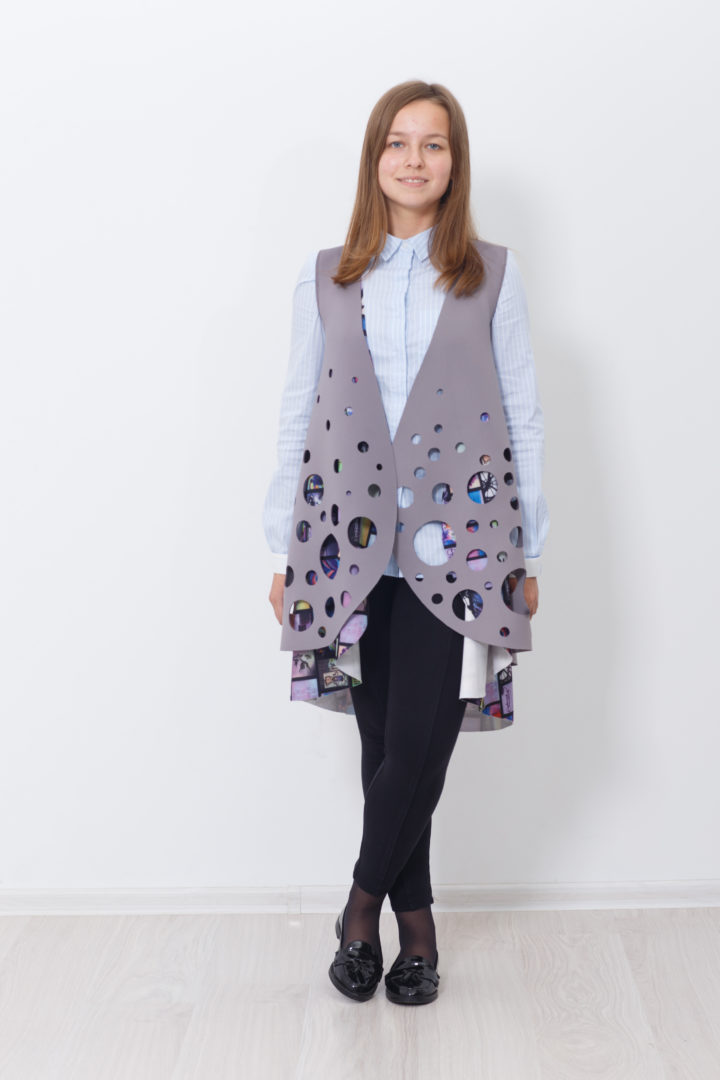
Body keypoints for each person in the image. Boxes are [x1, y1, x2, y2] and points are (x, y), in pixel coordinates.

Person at [263, 80, 549, 1005]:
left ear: (454, 164)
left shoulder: (491, 274)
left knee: (422, 740)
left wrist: (528, 550)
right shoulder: (326, 276)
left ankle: (360, 910)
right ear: (374, 158)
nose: (413, 159)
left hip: (460, 545)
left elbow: (522, 413)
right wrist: (283, 549)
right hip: (343, 543)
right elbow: (298, 411)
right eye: (397, 142)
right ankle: (415, 929)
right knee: (386, 741)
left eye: (433, 144)